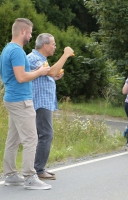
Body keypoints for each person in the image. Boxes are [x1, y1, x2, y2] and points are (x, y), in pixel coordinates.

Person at [0, 18, 51, 190]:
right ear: (23, 31)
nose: (30, 36)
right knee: (31, 138)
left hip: (12, 98)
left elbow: (18, 75)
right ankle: (30, 177)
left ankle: (11, 175)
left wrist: (35, 71)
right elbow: (21, 78)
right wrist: (41, 72)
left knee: (13, 139)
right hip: (21, 100)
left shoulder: (8, 49)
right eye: (29, 32)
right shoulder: (17, 52)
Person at [27, 33, 74, 180]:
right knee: (46, 134)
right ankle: (38, 170)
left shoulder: (42, 60)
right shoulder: (33, 58)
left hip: (44, 102)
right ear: (45, 45)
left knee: (42, 135)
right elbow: (50, 70)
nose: (55, 47)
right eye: (53, 44)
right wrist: (65, 55)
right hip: (40, 103)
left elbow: (47, 73)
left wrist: (53, 77)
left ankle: (35, 168)